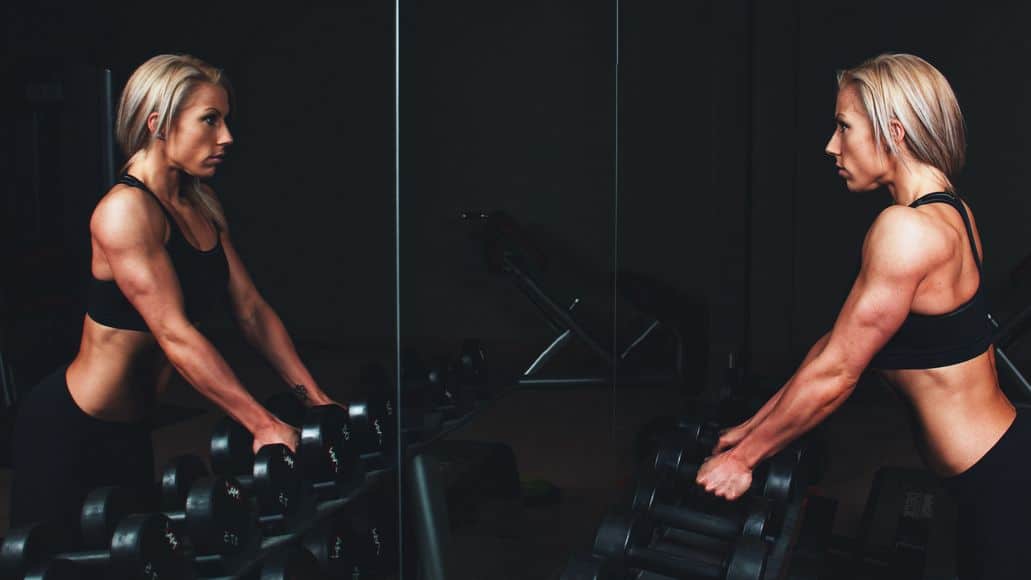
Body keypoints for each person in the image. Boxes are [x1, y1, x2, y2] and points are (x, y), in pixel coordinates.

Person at [695, 53, 1021, 579]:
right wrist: (752, 430)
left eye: (844, 127)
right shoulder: (951, 211)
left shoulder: (905, 230)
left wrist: (741, 462)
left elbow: (841, 372)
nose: (831, 145)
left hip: (998, 482)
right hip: (995, 466)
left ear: (893, 130)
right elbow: (834, 347)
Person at [9, 54, 343, 528]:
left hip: (132, 430)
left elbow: (251, 311)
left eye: (225, 120)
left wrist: (315, 398)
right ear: (157, 123)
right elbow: (174, 333)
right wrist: (262, 424)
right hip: (71, 429)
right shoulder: (125, 212)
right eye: (210, 120)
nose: (226, 137)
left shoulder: (197, 204)